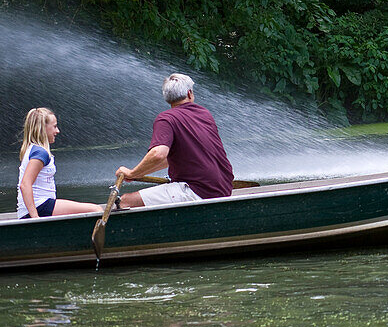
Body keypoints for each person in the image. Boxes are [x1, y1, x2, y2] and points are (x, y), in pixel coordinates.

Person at [116, 73, 235, 207]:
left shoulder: (166, 119)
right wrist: (138, 173)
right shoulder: (204, 114)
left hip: (197, 191)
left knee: (125, 201)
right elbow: (169, 159)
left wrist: (132, 173)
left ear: (167, 98)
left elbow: (158, 154)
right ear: (190, 94)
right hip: (223, 189)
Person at [16, 107, 102, 219]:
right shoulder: (40, 153)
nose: (57, 131)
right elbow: (25, 184)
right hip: (39, 207)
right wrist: (35, 218)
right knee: (96, 210)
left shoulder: (34, 149)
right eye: (54, 126)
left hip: (40, 206)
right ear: (43, 128)